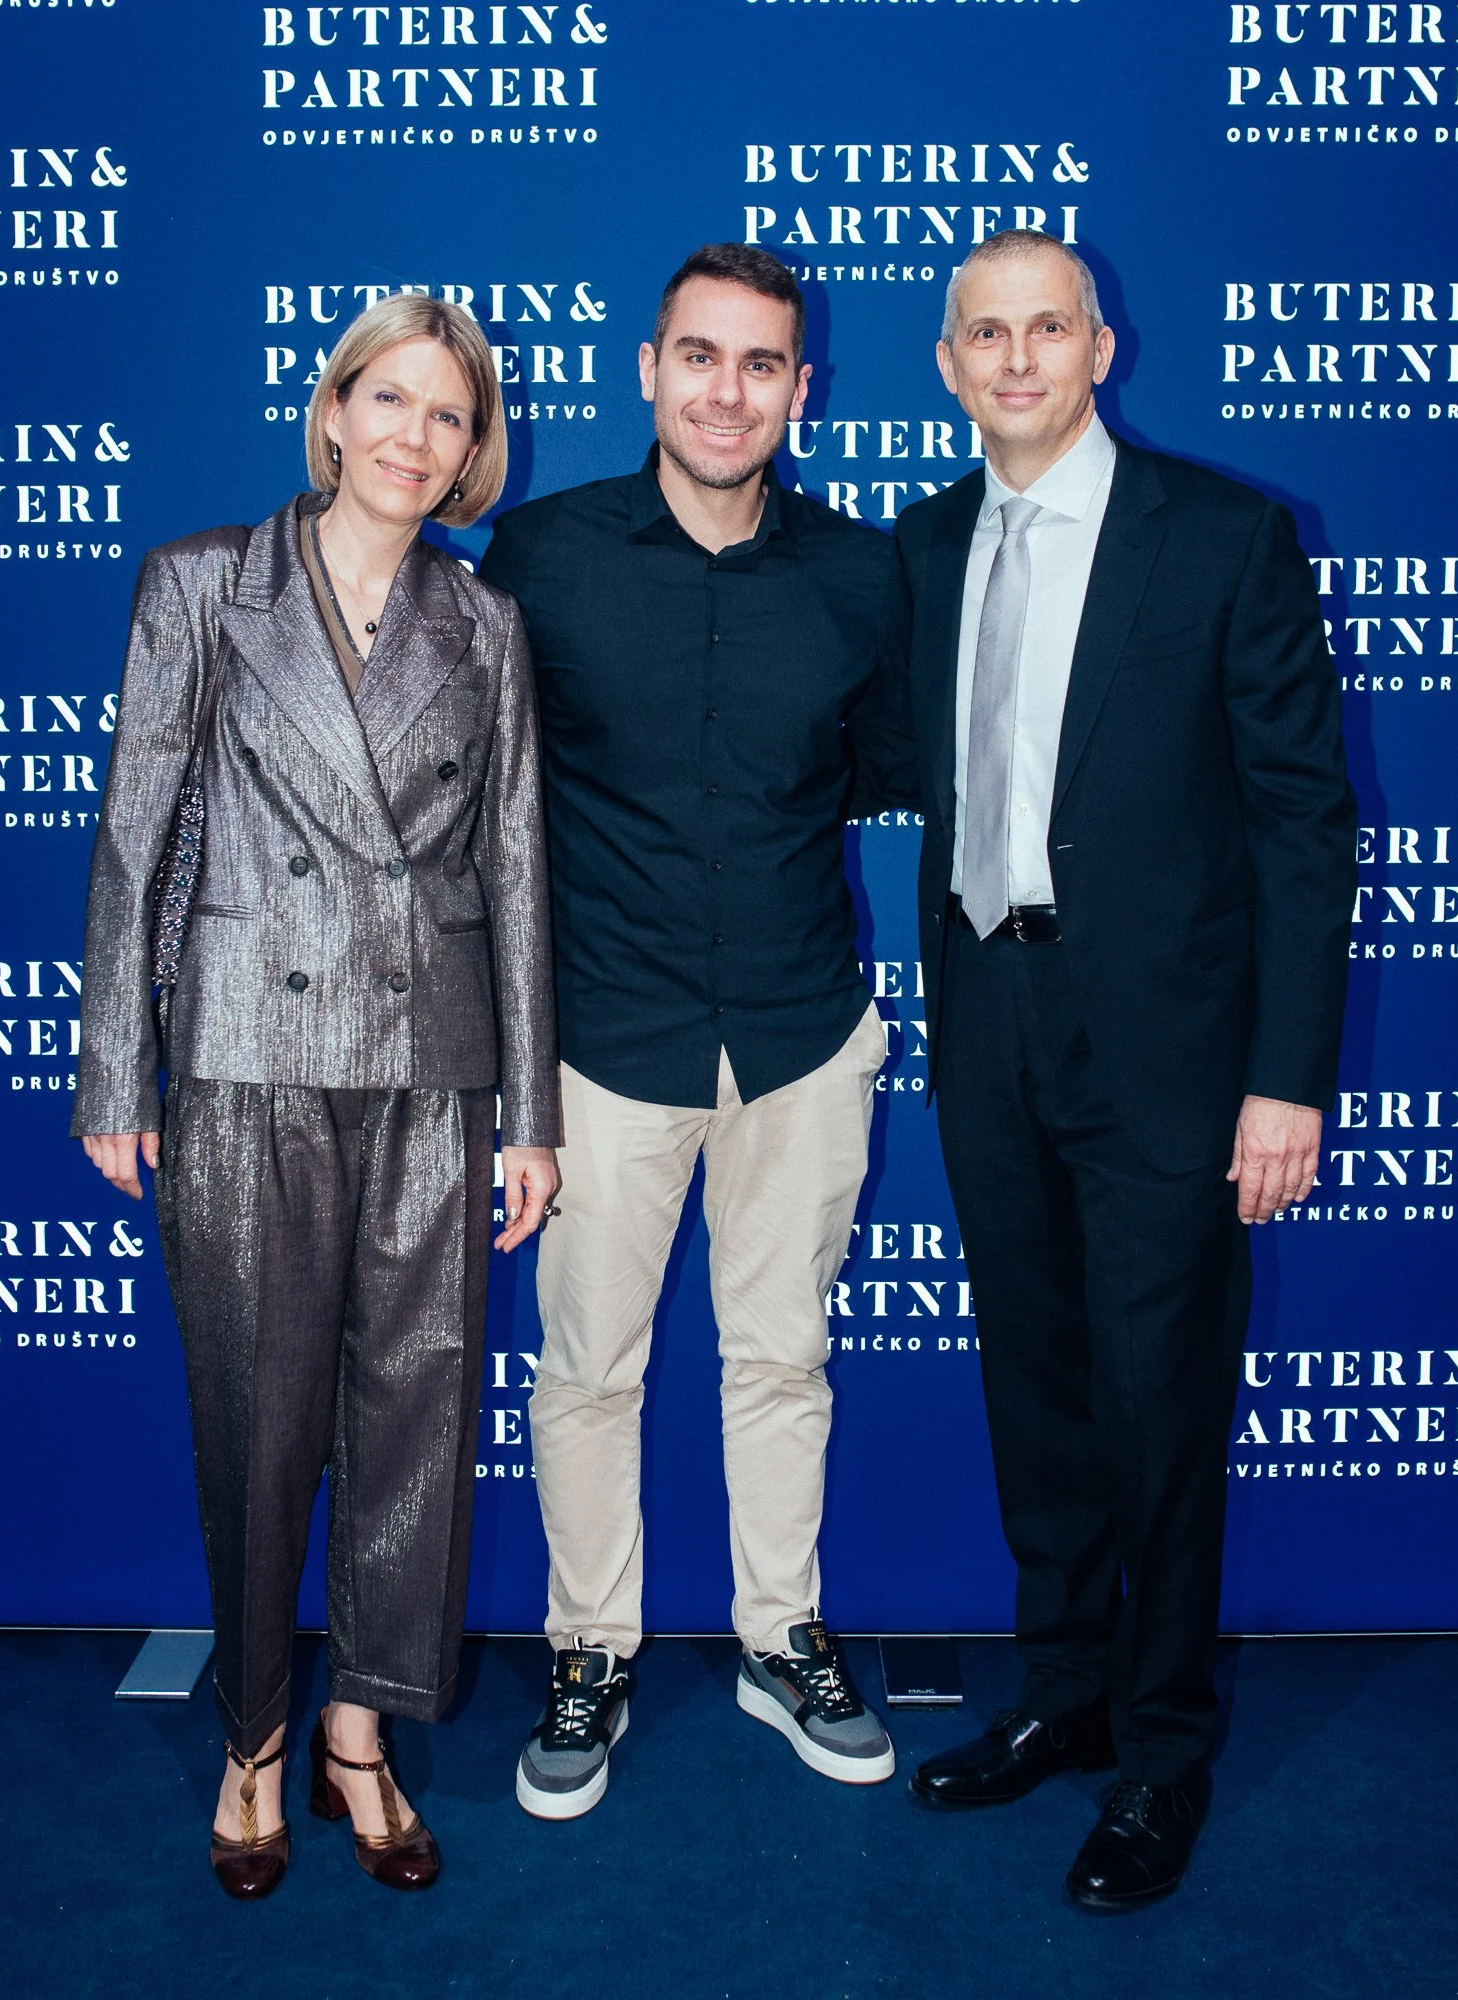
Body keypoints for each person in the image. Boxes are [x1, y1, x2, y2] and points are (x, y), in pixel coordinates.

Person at [73, 293, 561, 1899]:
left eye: (452, 417)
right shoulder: (203, 587)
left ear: (472, 447)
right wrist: (109, 1069)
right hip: (242, 1057)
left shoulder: (482, 624)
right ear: (335, 409)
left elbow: (515, 868)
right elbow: (137, 841)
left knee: (414, 1419)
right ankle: (255, 1739)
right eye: (394, 403)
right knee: (257, 1420)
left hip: (433, 1065)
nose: (419, 440)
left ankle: (364, 1728)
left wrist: (532, 1114)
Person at [893, 232, 1355, 1909]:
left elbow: (1307, 829)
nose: (1017, 359)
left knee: (1162, 1408)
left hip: (1171, 1054)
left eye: (1048, 329)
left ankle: (1161, 1759)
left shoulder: (1223, 538)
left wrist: (1286, 1080)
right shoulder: (929, 543)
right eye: (984, 333)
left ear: (1104, 348)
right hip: (989, 1022)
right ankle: (1066, 1696)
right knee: (1041, 1389)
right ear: (948, 364)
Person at [480, 244, 913, 1820]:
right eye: (701, 358)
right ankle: (588, 1648)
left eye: (761, 366)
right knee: (590, 1367)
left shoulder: (865, 576)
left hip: (802, 1030)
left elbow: (878, 771)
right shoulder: (534, 556)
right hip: (603, 1040)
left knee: (782, 1354)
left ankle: (777, 1630)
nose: (728, 392)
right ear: (648, 370)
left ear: (801, 391)